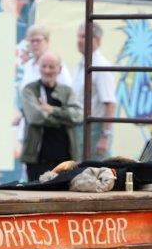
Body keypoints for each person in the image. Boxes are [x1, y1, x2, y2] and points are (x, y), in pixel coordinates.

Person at [20, 52, 83, 181]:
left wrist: (52, 110)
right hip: (37, 159)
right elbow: (35, 117)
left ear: (59, 69)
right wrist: (64, 120)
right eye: (44, 66)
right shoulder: (30, 90)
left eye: (51, 67)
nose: (47, 70)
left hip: (65, 159)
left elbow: (78, 115)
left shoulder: (67, 91)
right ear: (39, 68)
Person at [74, 23, 117, 158]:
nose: (79, 40)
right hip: (83, 128)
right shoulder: (83, 64)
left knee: (95, 168)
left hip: (95, 130)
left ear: (97, 40)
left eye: (84, 37)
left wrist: (105, 136)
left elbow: (110, 103)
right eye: (78, 36)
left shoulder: (100, 66)